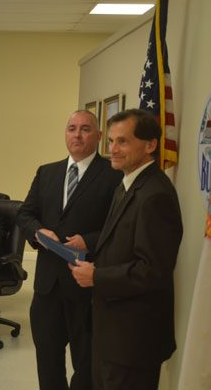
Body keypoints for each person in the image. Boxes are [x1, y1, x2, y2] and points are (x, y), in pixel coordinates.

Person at [70, 109, 183, 390]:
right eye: (110, 141)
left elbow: (153, 271)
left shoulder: (155, 195)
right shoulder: (126, 184)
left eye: (122, 142)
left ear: (150, 145)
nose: (112, 150)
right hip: (111, 333)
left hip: (133, 340)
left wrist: (97, 277)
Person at [16, 110, 122, 390]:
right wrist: (38, 232)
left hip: (86, 287)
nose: (77, 135)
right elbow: (24, 214)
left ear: (99, 136)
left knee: (86, 363)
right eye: (72, 128)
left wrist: (89, 241)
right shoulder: (47, 172)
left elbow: (121, 227)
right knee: (47, 359)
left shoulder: (113, 175)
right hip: (48, 286)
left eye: (85, 129)